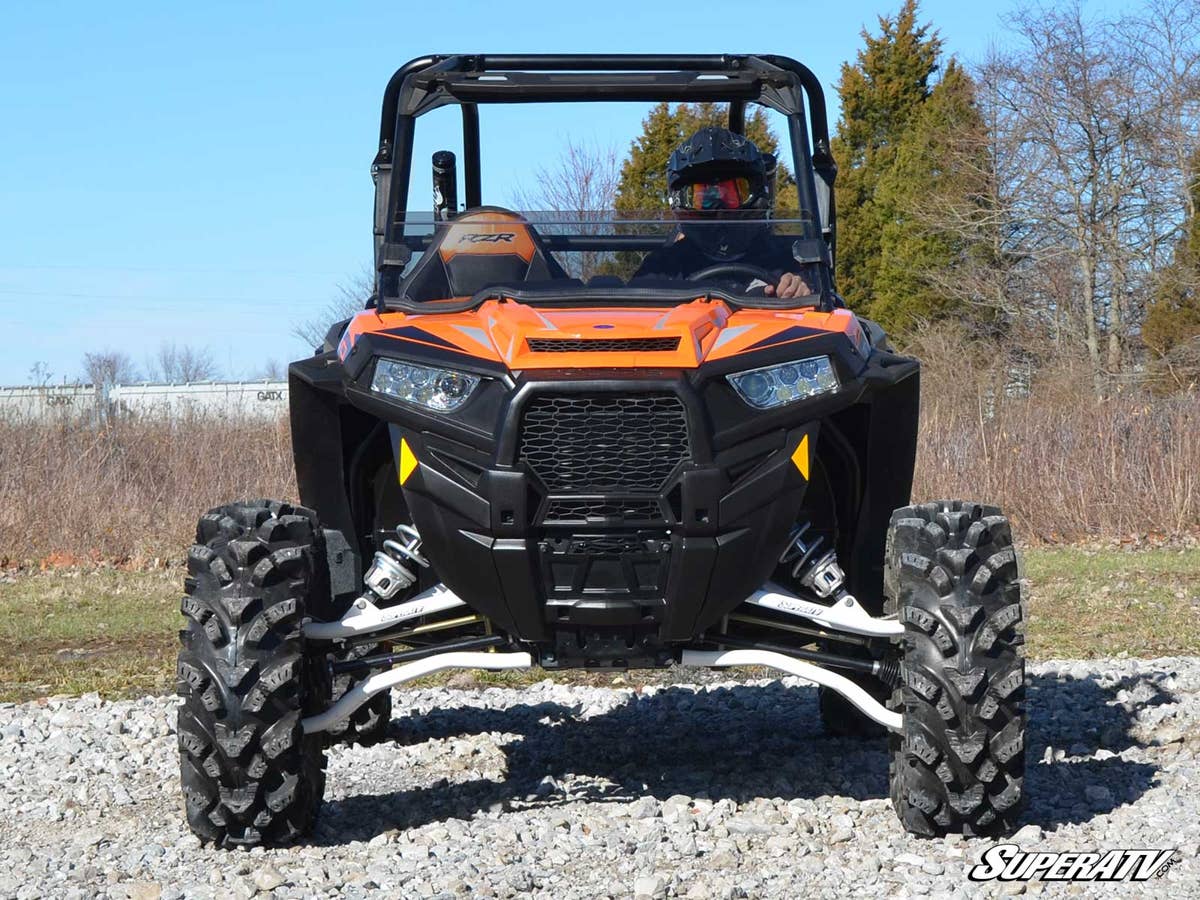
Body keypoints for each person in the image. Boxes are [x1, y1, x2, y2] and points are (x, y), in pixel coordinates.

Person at [633, 126, 815, 299]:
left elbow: (819, 305)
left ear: (757, 197)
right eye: (702, 198)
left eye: (734, 194)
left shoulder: (785, 261)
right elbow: (636, 309)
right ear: (682, 203)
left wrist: (799, 288)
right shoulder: (664, 266)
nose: (719, 210)